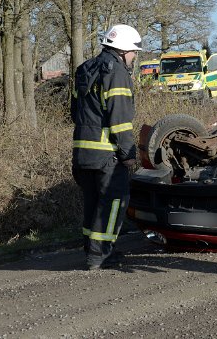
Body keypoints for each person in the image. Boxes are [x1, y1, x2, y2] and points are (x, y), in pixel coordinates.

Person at [71, 24, 142, 270]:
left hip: (81, 152)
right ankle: (100, 253)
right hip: (106, 154)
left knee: (92, 201)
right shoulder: (118, 73)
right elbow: (120, 119)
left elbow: (74, 112)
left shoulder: (84, 69)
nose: (134, 57)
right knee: (115, 202)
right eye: (134, 52)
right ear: (123, 51)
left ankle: (92, 250)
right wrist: (128, 153)